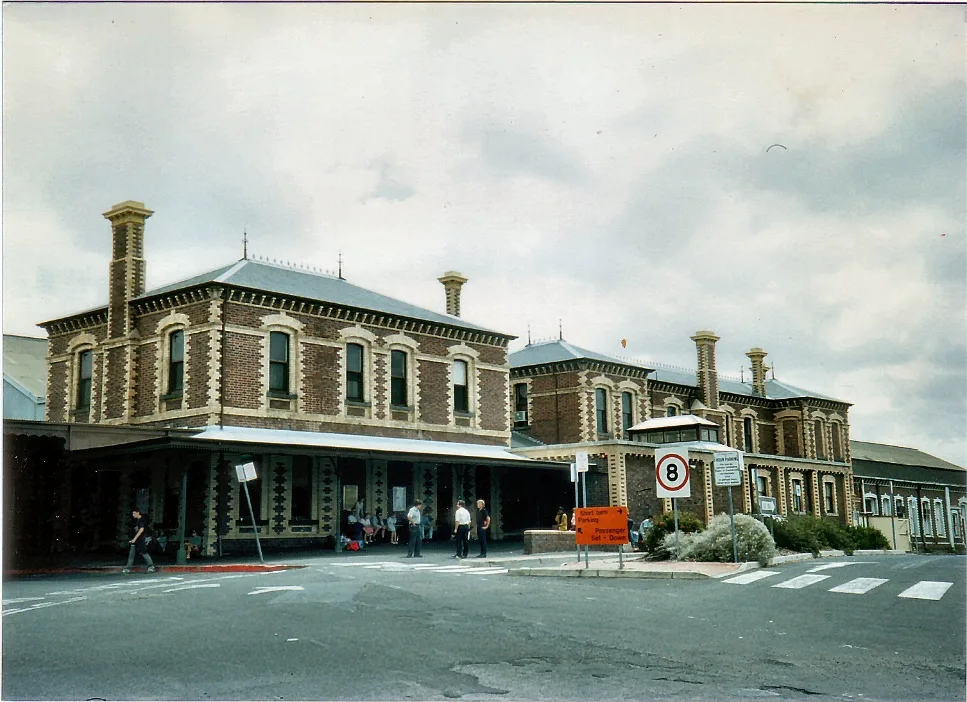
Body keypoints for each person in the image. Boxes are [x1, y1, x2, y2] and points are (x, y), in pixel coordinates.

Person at [123, 509, 156, 573]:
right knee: (132, 553)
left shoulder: (142, 520)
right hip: (137, 539)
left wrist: (134, 539)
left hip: (141, 539)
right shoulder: (138, 520)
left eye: (134, 513)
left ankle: (151, 566)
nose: (133, 515)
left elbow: (141, 530)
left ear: (138, 513)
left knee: (143, 552)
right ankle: (128, 568)